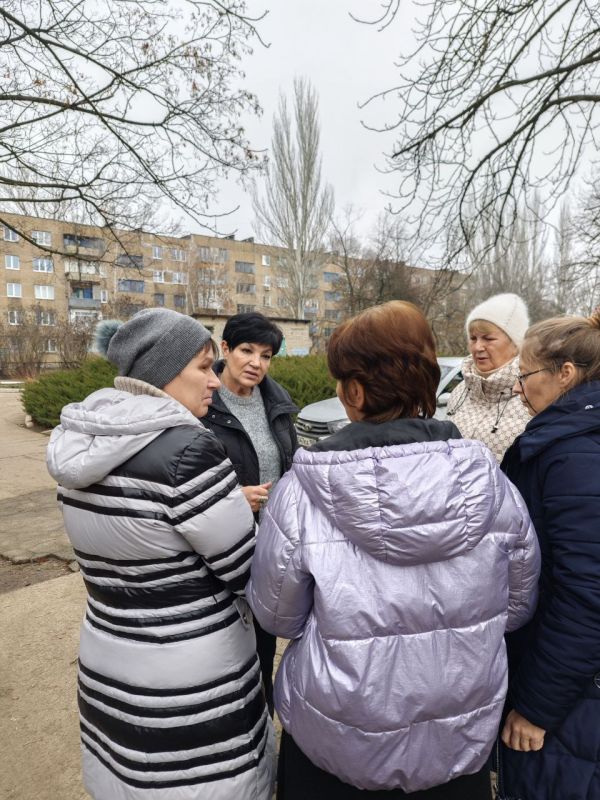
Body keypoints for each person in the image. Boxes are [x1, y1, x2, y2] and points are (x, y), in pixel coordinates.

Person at [247, 300, 540, 799]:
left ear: (354, 391)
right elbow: (516, 607)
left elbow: (278, 617)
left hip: (336, 741)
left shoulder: (302, 493)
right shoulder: (492, 485)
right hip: (456, 745)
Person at [46, 308, 274, 800]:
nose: (214, 381)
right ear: (161, 371)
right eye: (201, 366)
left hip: (110, 660)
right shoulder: (189, 451)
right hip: (190, 681)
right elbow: (247, 571)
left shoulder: (81, 444)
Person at [498, 310, 600, 800]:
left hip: (573, 699)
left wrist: (537, 706)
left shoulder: (575, 455)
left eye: (525, 375)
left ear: (565, 374)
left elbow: (586, 594)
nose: (519, 389)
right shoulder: (570, 441)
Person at [202, 311, 298, 715]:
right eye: (246, 350)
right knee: (223, 644)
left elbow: (289, 464)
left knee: (263, 638)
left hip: (269, 546)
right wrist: (230, 495)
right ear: (225, 349)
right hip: (221, 546)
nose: (256, 363)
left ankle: (262, 715)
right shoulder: (204, 404)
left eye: (266, 354)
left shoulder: (276, 403)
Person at [447, 293, 531, 462]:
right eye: (473, 338)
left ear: (516, 344)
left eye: (488, 338)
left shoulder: (532, 395)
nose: (478, 347)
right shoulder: (460, 391)